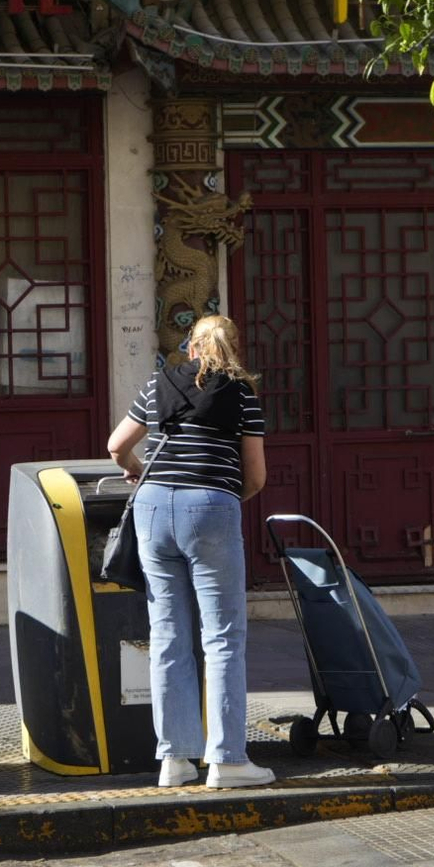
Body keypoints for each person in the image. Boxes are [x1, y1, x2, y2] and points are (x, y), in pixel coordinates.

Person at [106, 315, 273, 789]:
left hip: (153, 509)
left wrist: (136, 469)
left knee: (167, 636)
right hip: (211, 507)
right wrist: (221, 499)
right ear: (232, 348)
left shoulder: (158, 383)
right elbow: (256, 476)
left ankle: (175, 761)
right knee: (222, 639)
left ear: (192, 347)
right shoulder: (241, 394)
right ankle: (227, 761)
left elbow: (117, 445)